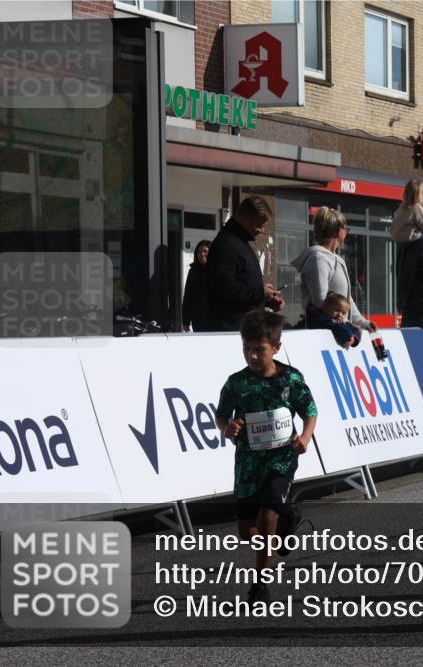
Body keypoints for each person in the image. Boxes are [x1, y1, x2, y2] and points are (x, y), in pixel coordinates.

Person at [215, 310, 318, 604]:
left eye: (258, 350)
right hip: (248, 460)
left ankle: (259, 585)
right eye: (246, 349)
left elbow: (310, 411)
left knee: (267, 515)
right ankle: (289, 520)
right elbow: (222, 415)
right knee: (248, 533)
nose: (252, 356)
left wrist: (305, 437)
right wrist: (228, 427)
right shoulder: (237, 383)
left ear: (275, 347)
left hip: (281, 458)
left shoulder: (291, 379)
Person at [207, 196, 286, 331]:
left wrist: (266, 297)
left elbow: (239, 285)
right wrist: (260, 294)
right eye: (258, 225)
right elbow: (225, 288)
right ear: (244, 218)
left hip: (242, 328)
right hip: (231, 331)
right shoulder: (227, 244)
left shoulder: (239, 242)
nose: (261, 231)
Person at [293, 206, 377, 334]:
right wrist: (345, 327)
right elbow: (320, 301)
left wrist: (362, 322)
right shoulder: (318, 260)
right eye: (346, 228)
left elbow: (346, 299)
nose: (347, 232)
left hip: (338, 331)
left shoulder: (336, 259)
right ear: (338, 232)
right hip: (324, 334)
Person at [182, 239, 212, 332]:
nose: (202, 254)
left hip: (215, 318)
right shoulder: (193, 271)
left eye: (205, 251)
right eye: (199, 252)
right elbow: (188, 297)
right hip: (198, 319)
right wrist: (185, 322)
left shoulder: (218, 269)